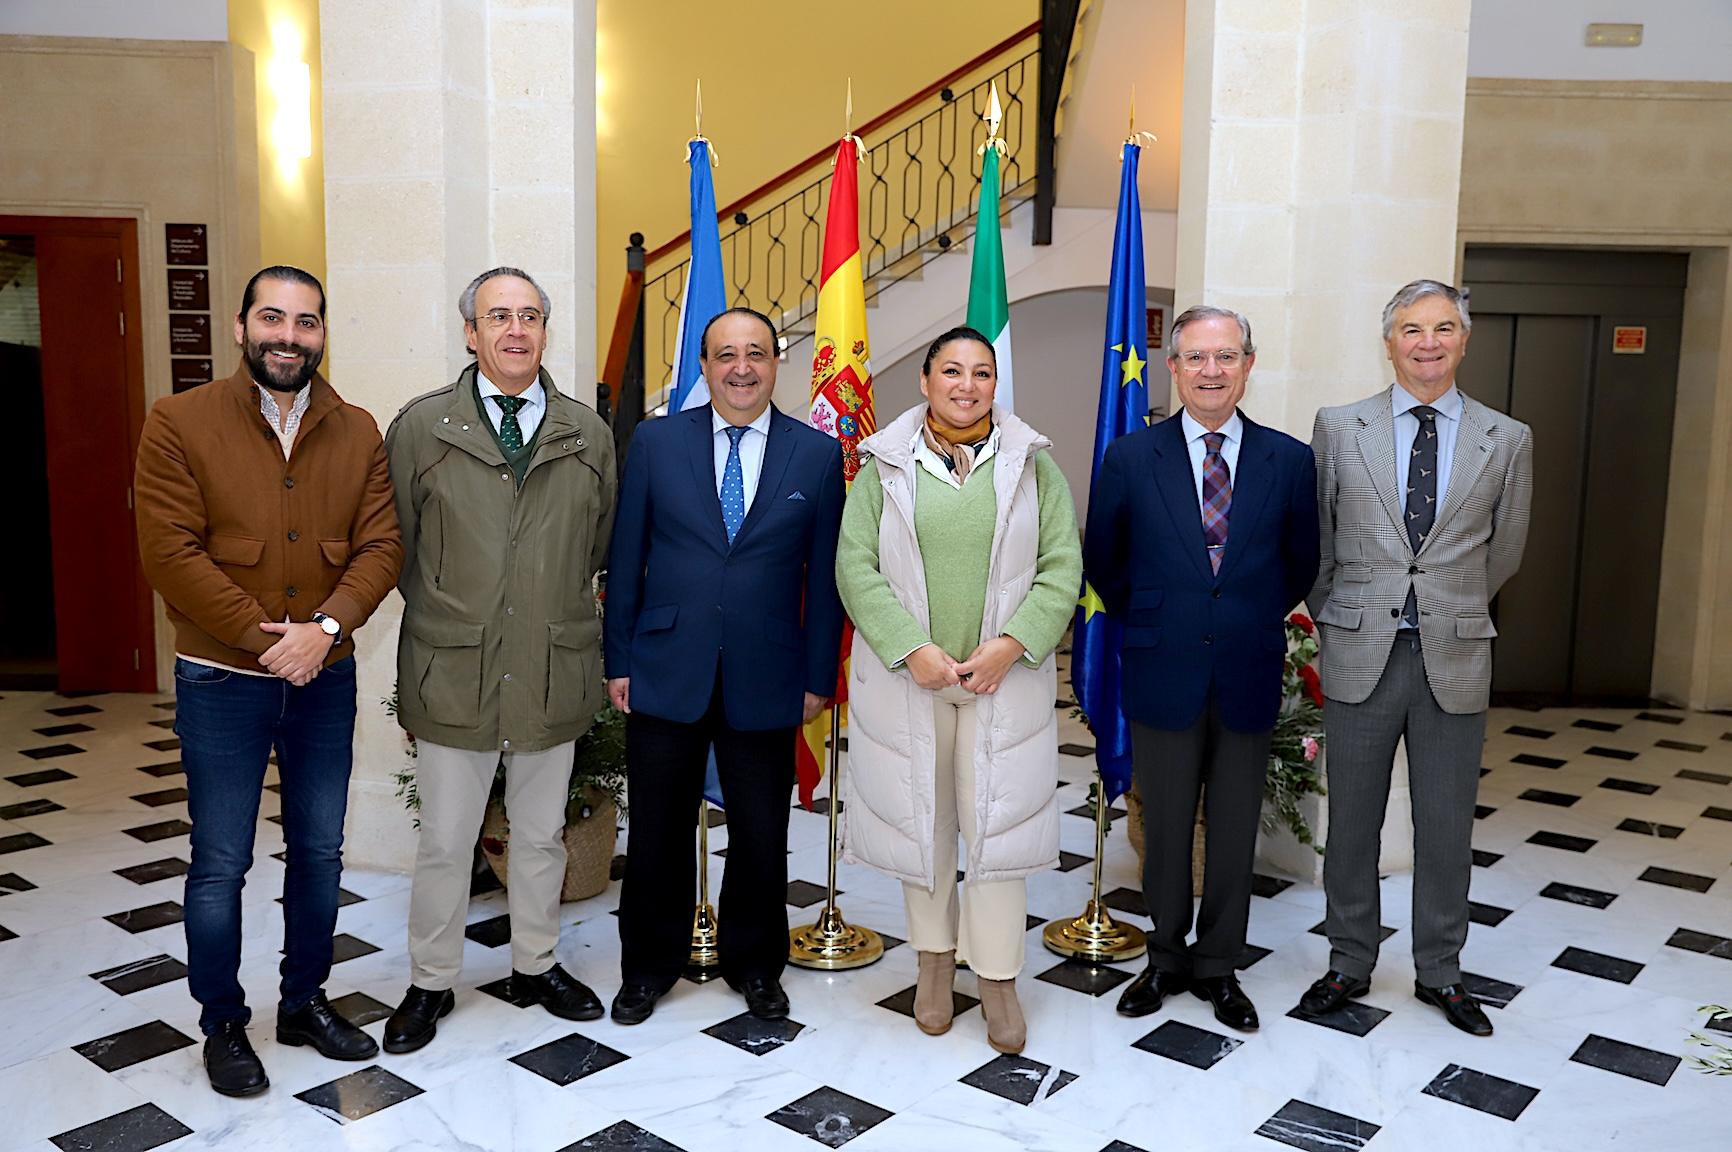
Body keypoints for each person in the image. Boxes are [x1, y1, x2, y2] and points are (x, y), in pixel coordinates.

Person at [133, 266, 403, 1097]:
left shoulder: (357, 429)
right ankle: (222, 1023)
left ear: (323, 333)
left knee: (319, 851)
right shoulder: (178, 422)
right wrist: (267, 640)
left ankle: (304, 1002)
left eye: (307, 321)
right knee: (221, 862)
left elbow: (382, 545)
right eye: (274, 318)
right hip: (221, 681)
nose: (290, 335)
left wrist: (323, 631)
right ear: (242, 326)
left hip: (326, 677)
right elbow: (169, 554)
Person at [382, 267, 617, 1053]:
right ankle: (429, 981)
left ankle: (536, 963)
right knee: (448, 839)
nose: (516, 330)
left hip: (553, 666)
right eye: (499, 317)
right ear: (471, 334)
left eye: (531, 316)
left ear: (547, 331)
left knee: (543, 835)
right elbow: (400, 548)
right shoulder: (422, 430)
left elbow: (598, 546)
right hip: (455, 666)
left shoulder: (588, 433)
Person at [1298, 279, 1532, 1036]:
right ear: (1389, 341)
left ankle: (1442, 971)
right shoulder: (1339, 427)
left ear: (1464, 340)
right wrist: (1349, 613)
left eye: (1441, 329)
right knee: (1353, 824)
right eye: (1410, 329)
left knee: (1444, 825)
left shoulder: (1508, 438)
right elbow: (1319, 545)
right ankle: (1348, 961)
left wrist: (1446, 603)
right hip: (1361, 649)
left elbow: (1506, 551)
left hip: (1454, 655)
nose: (1426, 342)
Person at [838, 326, 1080, 1055]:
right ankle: (936, 965)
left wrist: (1010, 646)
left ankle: (999, 976)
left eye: (981, 372)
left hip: (1001, 682)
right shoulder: (880, 466)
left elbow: (1061, 567)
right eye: (952, 371)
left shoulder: (1035, 467)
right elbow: (855, 567)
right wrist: (911, 649)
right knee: (926, 825)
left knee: (998, 831)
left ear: (994, 383)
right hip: (911, 682)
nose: (967, 384)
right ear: (925, 379)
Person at [604, 307, 844, 1024]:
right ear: (703, 367)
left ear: (778, 363)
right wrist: (618, 658)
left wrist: (816, 677)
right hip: (663, 663)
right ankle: (648, 967)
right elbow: (625, 558)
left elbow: (825, 578)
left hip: (768, 673)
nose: (742, 368)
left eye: (757, 354)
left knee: (762, 831)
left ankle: (755, 965)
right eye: (725, 355)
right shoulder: (654, 442)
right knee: (655, 831)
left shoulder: (816, 455)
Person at [1084, 305, 1318, 1033]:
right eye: (1196, 358)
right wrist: (1168, 617)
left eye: (1226, 357)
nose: (1211, 371)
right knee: (1164, 824)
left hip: (1248, 666)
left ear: (1248, 366)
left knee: (1233, 824)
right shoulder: (1130, 457)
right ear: (1174, 367)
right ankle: (1163, 957)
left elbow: (1301, 562)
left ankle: (1218, 966)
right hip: (1163, 666)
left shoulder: (1289, 460)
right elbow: (1106, 562)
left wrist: (1237, 615)